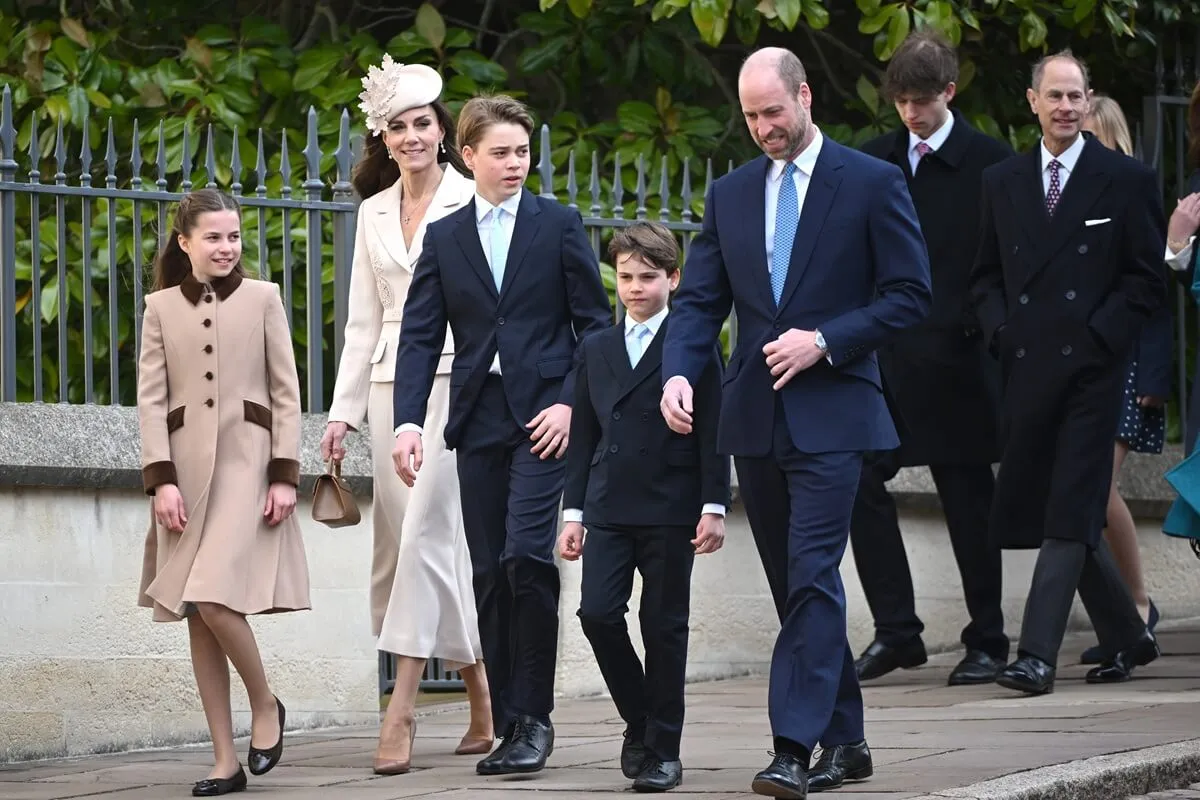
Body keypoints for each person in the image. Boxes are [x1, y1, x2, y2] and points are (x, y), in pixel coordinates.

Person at [661, 47, 933, 799]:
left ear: (804, 96)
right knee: (795, 588)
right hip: (757, 417)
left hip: (838, 412)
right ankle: (848, 741)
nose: (762, 128)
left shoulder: (873, 183)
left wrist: (826, 340)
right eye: (750, 117)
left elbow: (912, 294)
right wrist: (680, 370)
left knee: (812, 574)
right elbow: (698, 302)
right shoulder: (732, 194)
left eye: (772, 111)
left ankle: (792, 746)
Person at [390, 95, 611, 776]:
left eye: (523, 151)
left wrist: (573, 405)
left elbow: (595, 328)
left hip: (545, 420)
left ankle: (535, 719)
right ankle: (510, 722)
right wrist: (405, 420)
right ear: (468, 155)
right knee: (488, 572)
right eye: (501, 152)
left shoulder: (559, 224)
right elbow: (421, 334)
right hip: (478, 419)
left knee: (526, 559)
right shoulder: (446, 235)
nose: (516, 163)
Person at [968, 51, 1164, 696]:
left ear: (1088, 101)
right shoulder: (1002, 181)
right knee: (1058, 509)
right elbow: (985, 276)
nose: (1066, 107)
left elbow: (1143, 278)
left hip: (1092, 373)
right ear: (1033, 101)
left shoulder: (1125, 179)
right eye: (1054, 96)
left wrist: (1098, 336)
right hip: (1026, 369)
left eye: (1076, 96)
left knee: (1069, 507)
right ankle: (1129, 635)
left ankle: (1036, 656)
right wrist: (1001, 331)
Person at [319, 57, 493, 774]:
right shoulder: (370, 212)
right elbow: (362, 323)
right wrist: (341, 413)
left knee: (425, 536)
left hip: (461, 384)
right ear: (383, 139)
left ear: (444, 131)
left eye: (424, 122)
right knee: (405, 550)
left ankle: (403, 708)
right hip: (393, 387)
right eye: (399, 126)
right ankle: (485, 699)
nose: (413, 135)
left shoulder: (473, 196)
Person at [853, 30, 1013, 687]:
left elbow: (1006, 264)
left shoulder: (991, 164)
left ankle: (988, 637)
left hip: (961, 360)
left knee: (971, 500)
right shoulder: (875, 161)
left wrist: (984, 330)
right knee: (858, 477)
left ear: (950, 91)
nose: (911, 113)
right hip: (888, 359)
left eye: (921, 100)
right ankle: (897, 631)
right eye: (900, 101)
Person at [136, 188, 309, 797]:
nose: (226, 247)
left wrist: (285, 473)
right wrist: (161, 482)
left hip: (248, 465)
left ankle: (265, 704)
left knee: (210, 597)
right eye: (213, 237)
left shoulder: (265, 298)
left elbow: (287, 391)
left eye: (233, 236)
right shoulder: (159, 308)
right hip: (184, 474)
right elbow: (152, 402)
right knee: (198, 617)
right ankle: (224, 761)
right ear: (184, 243)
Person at [557, 221, 730, 793]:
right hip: (607, 504)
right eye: (626, 277)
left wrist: (714, 505)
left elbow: (712, 432)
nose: (635, 288)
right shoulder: (597, 347)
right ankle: (641, 717)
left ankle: (664, 750)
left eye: (648, 277)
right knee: (597, 614)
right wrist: (573, 513)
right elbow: (582, 435)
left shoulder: (693, 344)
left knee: (664, 627)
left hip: (671, 506)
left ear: (674, 279)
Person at [1073, 95, 1170, 664]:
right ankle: (1126, 615)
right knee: (1089, 490)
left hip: (1126, 367)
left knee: (1096, 489)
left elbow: (1151, 294)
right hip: (1083, 366)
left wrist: (1153, 376)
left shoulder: (1131, 194)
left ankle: (1134, 604)